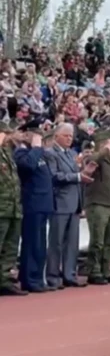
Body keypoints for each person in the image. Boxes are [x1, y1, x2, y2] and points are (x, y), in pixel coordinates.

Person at [45, 123, 92, 289]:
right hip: (60, 202)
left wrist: (85, 172)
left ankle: (69, 274)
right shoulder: (50, 153)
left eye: (71, 136)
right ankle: (53, 276)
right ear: (56, 136)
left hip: (74, 203)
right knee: (56, 242)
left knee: (72, 242)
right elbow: (55, 176)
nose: (69, 139)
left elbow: (76, 175)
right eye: (66, 135)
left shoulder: (72, 153)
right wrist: (78, 176)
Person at [14, 130, 55, 292]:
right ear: (26, 136)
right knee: (32, 244)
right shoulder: (21, 153)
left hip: (43, 204)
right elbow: (28, 166)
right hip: (32, 204)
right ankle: (29, 279)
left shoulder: (38, 154)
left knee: (40, 245)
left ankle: (38, 278)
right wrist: (36, 148)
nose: (39, 140)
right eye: (35, 136)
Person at [84, 129, 110, 285]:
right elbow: (90, 160)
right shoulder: (95, 159)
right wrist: (103, 151)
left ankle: (106, 270)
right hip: (97, 204)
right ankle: (94, 271)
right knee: (97, 240)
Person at [0, 122, 26, 296]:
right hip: (1, 208)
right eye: (6, 134)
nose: (10, 137)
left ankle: (4, 280)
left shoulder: (8, 153)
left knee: (10, 247)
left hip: (14, 208)